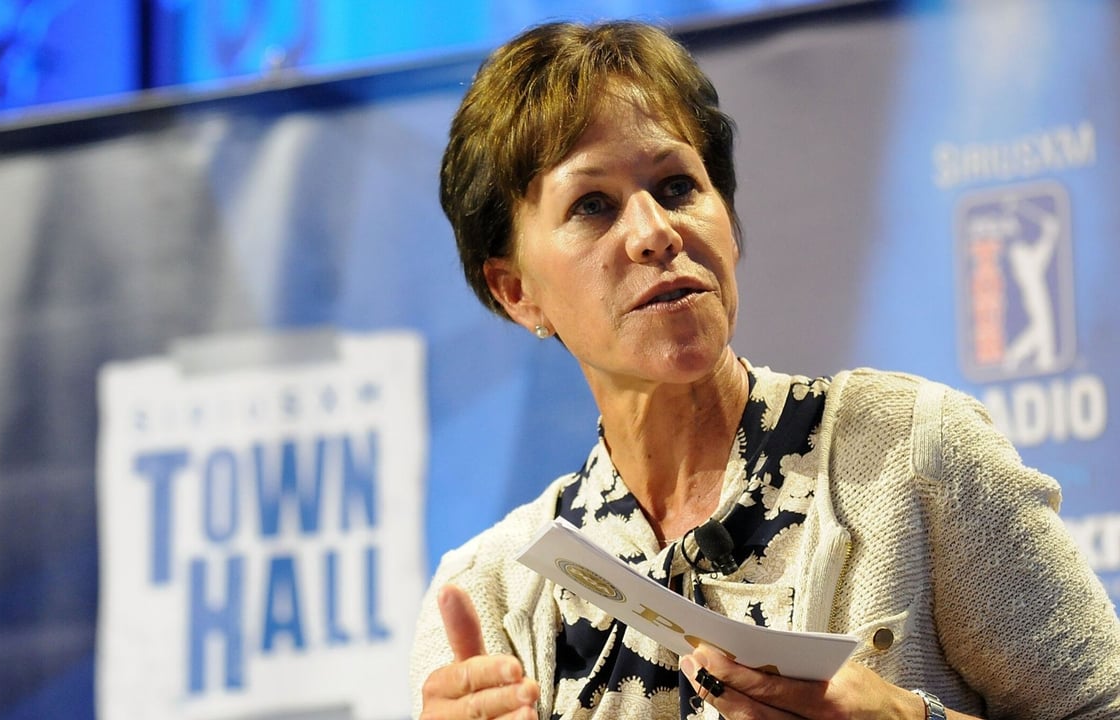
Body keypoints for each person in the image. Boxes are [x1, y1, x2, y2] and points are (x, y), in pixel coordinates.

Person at [409, 20, 1120, 720]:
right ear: (515, 290)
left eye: (678, 186)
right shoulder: (489, 597)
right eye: (592, 205)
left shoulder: (913, 454)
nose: (656, 232)